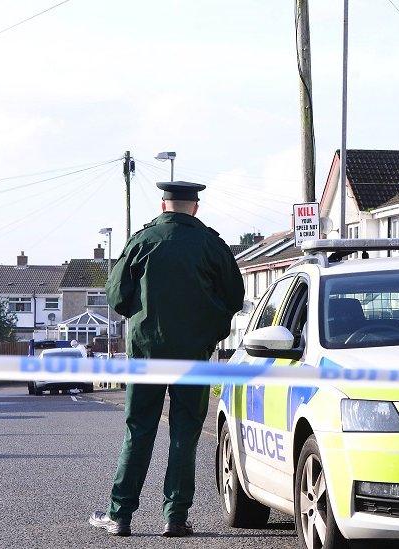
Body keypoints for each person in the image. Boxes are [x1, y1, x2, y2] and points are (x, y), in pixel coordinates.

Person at [89, 180, 245, 538]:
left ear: (163, 206)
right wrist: (210, 332)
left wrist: (141, 317)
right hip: (194, 356)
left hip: (146, 355)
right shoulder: (211, 245)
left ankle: (121, 515)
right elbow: (234, 297)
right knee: (185, 433)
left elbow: (116, 296)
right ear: (196, 208)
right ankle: (175, 518)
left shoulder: (143, 242)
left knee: (139, 430)